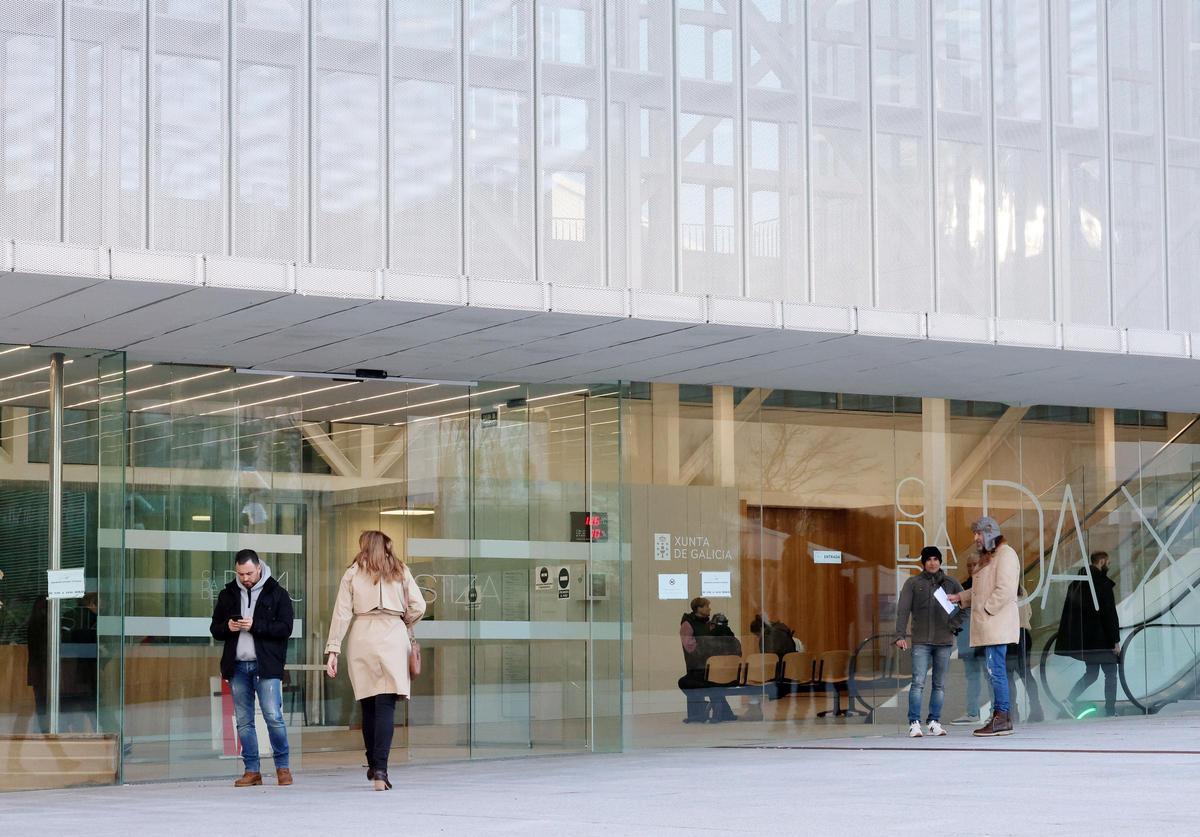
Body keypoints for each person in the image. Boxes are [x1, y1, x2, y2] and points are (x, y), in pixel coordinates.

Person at [325, 530, 426, 791]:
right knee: (385, 706)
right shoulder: (400, 570)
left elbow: (341, 613)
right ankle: (381, 770)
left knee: (368, 704)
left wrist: (333, 649)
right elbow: (419, 605)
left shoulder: (353, 572)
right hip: (392, 635)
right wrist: (404, 620)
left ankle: (372, 763)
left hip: (362, 636)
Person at [209, 549, 295, 787]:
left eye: (249, 573)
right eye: (240, 573)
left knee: (273, 717)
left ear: (259, 568)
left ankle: (282, 767)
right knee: (244, 720)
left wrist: (255, 625)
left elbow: (285, 628)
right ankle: (252, 770)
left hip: (266, 665)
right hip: (237, 666)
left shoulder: (277, 593)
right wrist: (228, 626)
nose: (245, 578)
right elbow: (215, 629)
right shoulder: (228, 594)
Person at [947, 516, 1020, 737]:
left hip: (995, 624)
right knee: (994, 671)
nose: (975, 538)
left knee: (995, 671)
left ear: (989, 533)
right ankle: (1000, 716)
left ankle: (1002, 717)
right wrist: (959, 597)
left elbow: (1005, 590)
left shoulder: (1006, 555)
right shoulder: (990, 556)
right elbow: (981, 590)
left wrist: (987, 611)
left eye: (978, 533)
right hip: (991, 625)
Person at [894, 546, 964, 737]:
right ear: (923, 563)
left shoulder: (951, 583)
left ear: (940, 562)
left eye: (936, 559)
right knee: (918, 682)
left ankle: (934, 721)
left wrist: (954, 625)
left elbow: (966, 604)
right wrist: (900, 635)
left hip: (944, 641)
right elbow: (903, 610)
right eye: (929, 559)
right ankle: (914, 722)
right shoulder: (913, 583)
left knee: (939, 684)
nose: (933, 563)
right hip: (921, 641)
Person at [1056, 551, 1121, 717]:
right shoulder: (1102, 584)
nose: (1109, 565)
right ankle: (1110, 711)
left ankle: (1069, 700)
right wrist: (1115, 640)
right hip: (1103, 639)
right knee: (1111, 674)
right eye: (1108, 562)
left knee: (1092, 674)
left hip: (1088, 640)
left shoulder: (1078, 583)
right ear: (1101, 562)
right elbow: (1109, 614)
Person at [949, 554, 985, 726]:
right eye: (969, 565)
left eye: (974, 564)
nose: (971, 568)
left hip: (985, 638)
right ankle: (973, 712)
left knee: (991, 676)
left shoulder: (986, 584)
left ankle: (996, 711)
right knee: (972, 676)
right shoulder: (962, 589)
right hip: (967, 639)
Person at [1006, 586, 1045, 722]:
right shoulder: (1022, 589)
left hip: (1009, 635)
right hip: (1023, 634)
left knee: (1008, 675)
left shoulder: (1005, 588)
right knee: (1025, 674)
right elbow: (1029, 613)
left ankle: (1012, 712)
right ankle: (1036, 709)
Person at [678, 597, 716, 723]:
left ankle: (702, 713)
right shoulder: (687, 624)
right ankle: (696, 714)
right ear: (698, 608)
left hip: (709, 662)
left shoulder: (707, 623)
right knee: (691, 685)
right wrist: (706, 650)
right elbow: (689, 645)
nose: (709, 608)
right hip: (696, 663)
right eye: (706, 606)